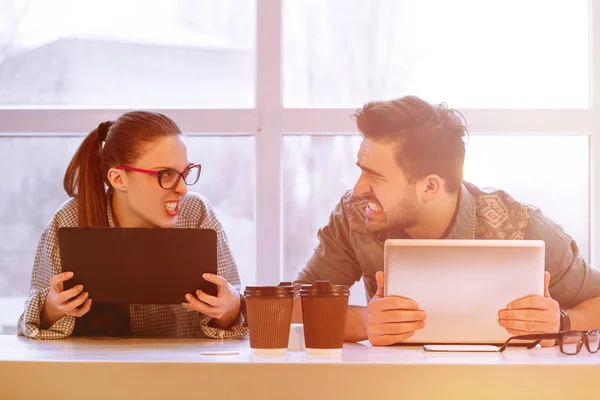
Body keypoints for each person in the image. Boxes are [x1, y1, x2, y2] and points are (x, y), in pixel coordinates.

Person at [294, 96, 600, 346]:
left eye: (374, 176)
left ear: (430, 187)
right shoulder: (356, 215)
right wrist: (361, 321)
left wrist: (563, 321)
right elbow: (290, 309)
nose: (359, 188)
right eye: (361, 169)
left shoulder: (521, 226)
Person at [18, 111, 247, 340]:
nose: (182, 189)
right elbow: (32, 326)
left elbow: (232, 320)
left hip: (182, 370)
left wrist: (230, 306)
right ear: (118, 179)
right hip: (95, 372)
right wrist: (53, 307)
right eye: (166, 174)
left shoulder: (196, 213)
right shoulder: (69, 219)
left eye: (185, 173)